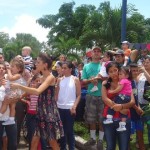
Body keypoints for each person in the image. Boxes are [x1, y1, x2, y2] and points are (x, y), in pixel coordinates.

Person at [10, 52, 64, 150]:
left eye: (38, 62)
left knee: (52, 141)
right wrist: (20, 96)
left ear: (45, 65)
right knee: (34, 140)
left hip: (48, 113)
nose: (36, 64)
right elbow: (31, 90)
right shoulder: (40, 78)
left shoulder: (50, 77)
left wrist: (19, 86)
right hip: (40, 112)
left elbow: (37, 91)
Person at [102, 61, 135, 150]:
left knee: (124, 147)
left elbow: (132, 102)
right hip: (108, 119)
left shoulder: (127, 82)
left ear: (119, 70)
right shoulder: (105, 84)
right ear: (108, 73)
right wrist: (120, 108)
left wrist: (121, 107)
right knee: (110, 147)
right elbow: (105, 99)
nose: (113, 73)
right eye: (110, 71)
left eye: (115, 70)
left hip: (124, 120)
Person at [82, 46, 104, 149]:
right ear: (91, 54)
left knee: (101, 119)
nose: (96, 53)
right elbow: (83, 81)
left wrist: (99, 79)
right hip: (91, 95)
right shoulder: (86, 66)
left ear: (100, 53)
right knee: (91, 119)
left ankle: (100, 140)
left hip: (103, 95)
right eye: (94, 51)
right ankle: (92, 139)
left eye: (98, 51)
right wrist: (91, 81)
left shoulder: (104, 65)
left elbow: (109, 78)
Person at [55, 61, 81, 150]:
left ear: (70, 69)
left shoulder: (75, 79)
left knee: (69, 130)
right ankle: (63, 148)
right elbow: (56, 95)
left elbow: (78, 95)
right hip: (59, 108)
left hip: (70, 108)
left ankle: (72, 148)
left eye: (65, 68)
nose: (63, 69)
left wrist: (74, 106)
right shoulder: (59, 80)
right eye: (62, 68)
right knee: (62, 131)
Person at [103, 66, 132, 132]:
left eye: (120, 74)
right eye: (110, 72)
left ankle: (109, 118)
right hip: (127, 98)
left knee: (113, 103)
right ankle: (122, 125)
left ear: (127, 75)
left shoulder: (123, 81)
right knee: (123, 112)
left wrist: (113, 91)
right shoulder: (128, 81)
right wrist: (121, 107)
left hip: (122, 96)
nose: (118, 75)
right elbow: (104, 98)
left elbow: (119, 89)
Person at [0, 58, 26, 125]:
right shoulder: (12, 74)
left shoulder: (18, 75)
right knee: (12, 106)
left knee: (5, 103)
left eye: (13, 67)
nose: (11, 68)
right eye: (11, 66)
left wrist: (8, 70)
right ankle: (11, 119)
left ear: (19, 69)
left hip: (14, 93)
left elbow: (11, 79)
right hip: (12, 92)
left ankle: (0, 114)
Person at [0, 62, 18, 150]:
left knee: (12, 144)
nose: (1, 69)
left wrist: (13, 97)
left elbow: (15, 96)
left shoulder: (8, 80)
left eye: (3, 68)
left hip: (9, 118)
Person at [20, 73, 41, 150]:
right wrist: (27, 102)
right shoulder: (30, 90)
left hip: (38, 115)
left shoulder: (41, 91)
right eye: (36, 81)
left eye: (39, 81)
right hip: (30, 115)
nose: (38, 82)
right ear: (33, 81)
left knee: (37, 136)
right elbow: (21, 97)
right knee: (31, 134)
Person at [129, 63, 145, 150]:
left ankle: (141, 147)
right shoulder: (128, 82)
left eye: (136, 70)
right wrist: (136, 107)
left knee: (140, 134)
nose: (135, 72)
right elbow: (129, 99)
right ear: (129, 71)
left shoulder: (135, 81)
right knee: (127, 136)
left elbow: (135, 97)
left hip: (137, 112)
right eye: (133, 71)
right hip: (129, 112)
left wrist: (138, 107)